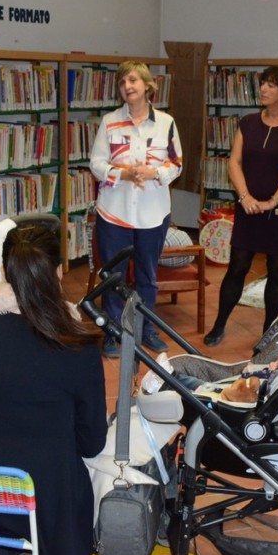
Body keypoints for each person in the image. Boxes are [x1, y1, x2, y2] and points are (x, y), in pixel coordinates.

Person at [0, 224, 108, 555]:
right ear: (59, 272)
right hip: (37, 494)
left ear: (3, 272)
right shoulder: (76, 344)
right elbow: (92, 442)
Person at [204, 65, 278, 347]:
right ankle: (219, 324)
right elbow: (234, 162)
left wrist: (272, 202)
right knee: (238, 266)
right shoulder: (248, 123)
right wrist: (245, 197)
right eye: (263, 83)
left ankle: (267, 333)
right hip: (248, 207)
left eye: (271, 85)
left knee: (277, 269)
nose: (263, 88)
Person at [89, 60, 183, 356]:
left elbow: (177, 164)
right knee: (113, 275)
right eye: (122, 82)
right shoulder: (109, 121)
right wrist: (124, 174)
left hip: (153, 214)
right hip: (113, 213)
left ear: (147, 85)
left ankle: (146, 329)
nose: (127, 86)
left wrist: (154, 173)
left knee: (147, 276)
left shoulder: (166, 122)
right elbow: (96, 164)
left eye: (132, 80)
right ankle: (112, 330)